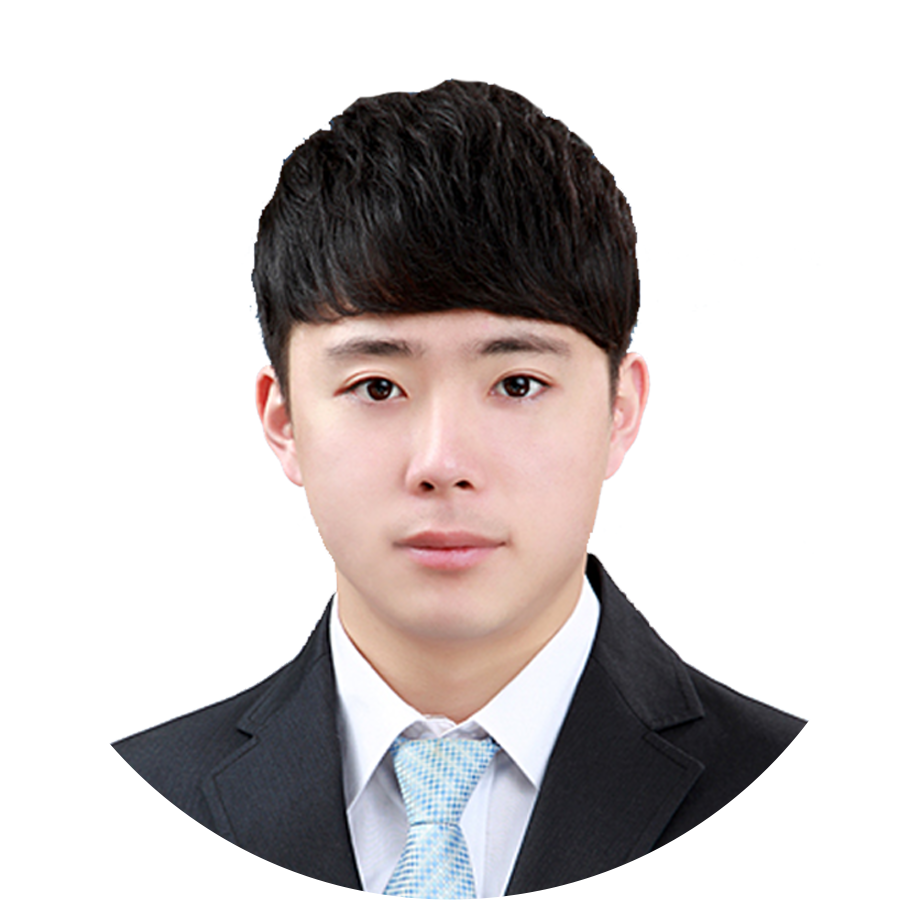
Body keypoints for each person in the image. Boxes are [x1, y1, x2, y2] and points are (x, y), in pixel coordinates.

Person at [76, 80, 822, 899]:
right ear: (283, 420)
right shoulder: (88, 833)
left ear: (620, 410)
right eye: (377, 387)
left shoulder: (828, 821)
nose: (443, 461)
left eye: (517, 384)